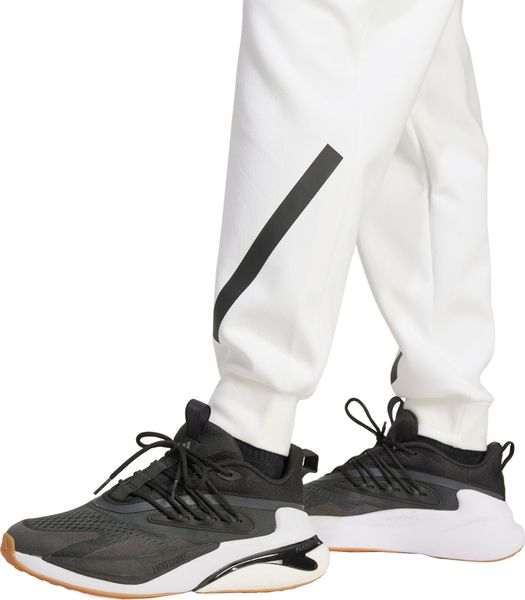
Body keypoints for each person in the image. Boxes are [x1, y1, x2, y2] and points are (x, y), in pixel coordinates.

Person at [2, 0, 523, 596]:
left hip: (244, 487)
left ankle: (247, 458)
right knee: (417, 63)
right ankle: (446, 445)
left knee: (319, 24)